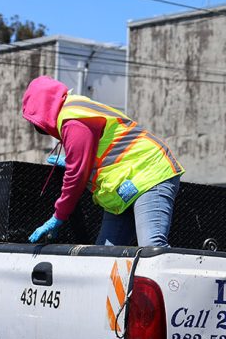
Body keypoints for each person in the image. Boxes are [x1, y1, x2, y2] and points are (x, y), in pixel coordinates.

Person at [21, 75, 184, 246]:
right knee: (104, 257)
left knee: (152, 247)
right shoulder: (74, 109)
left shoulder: (73, 119)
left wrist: (58, 216)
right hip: (124, 187)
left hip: (150, 174)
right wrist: (76, 162)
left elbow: (76, 176)